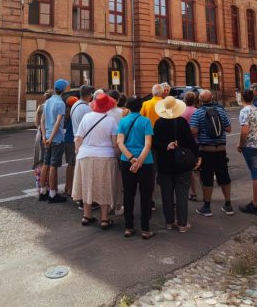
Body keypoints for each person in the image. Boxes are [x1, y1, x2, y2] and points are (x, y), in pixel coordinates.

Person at [153, 96, 201, 233]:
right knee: (182, 194)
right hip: (181, 163)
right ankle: (182, 223)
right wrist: (198, 155)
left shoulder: (158, 123)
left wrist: (165, 146)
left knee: (166, 194)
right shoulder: (182, 122)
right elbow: (191, 142)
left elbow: (154, 143)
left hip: (164, 163)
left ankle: (169, 222)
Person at [73, 92, 121, 228]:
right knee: (104, 186)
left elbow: (78, 139)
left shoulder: (86, 117)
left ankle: (87, 215)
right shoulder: (111, 121)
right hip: (105, 157)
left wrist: (78, 152)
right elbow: (115, 144)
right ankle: (104, 219)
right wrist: (118, 157)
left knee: (87, 185)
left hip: (85, 155)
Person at [190, 90, 234, 216]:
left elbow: (193, 130)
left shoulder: (198, 113)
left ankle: (207, 206)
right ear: (212, 99)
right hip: (221, 149)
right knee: (224, 177)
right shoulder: (220, 111)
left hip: (206, 150)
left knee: (207, 178)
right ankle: (228, 205)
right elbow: (229, 128)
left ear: (200, 100)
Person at [116, 96, 155, 238]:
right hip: (145, 162)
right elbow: (148, 144)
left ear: (128, 106)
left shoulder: (123, 121)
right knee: (146, 195)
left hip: (127, 161)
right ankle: (145, 228)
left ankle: (129, 226)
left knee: (128, 193)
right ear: (140, 106)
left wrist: (132, 159)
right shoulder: (146, 121)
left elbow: (120, 143)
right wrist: (139, 162)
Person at [39, 80, 69, 203]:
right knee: (53, 166)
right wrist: (51, 138)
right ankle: (52, 194)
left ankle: (43, 191)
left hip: (46, 136)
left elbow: (42, 120)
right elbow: (58, 123)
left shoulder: (48, 101)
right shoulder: (60, 103)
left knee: (45, 164)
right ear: (64, 90)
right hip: (56, 138)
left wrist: (44, 137)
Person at [70, 85, 95, 208]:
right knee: (87, 174)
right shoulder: (86, 109)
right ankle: (84, 201)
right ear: (89, 95)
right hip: (85, 142)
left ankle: (80, 198)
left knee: (80, 172)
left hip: (77, 141)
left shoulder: (75, 105)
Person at [180, 91, 200, 201]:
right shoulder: (198, 111)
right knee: (198, 168)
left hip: (184, 143)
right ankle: (202, 191)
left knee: (188, 169)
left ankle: (191, 192)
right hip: (197, 142)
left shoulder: (182, 112)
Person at [32, 90, 53, 190]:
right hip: (48, 134)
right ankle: (47, 185)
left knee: (40, 160)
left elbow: (36, 123)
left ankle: (38, 185)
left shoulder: (40, 107)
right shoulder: (51, 107)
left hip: (39, 134)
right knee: (48, 160)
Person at [63, 95, 79, 197]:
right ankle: (71, 189)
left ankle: (67, 187)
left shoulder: (66, 112)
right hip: (72, 140)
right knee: (73, 164)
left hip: (67, 139)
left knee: (70, 164)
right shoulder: (74, 113)